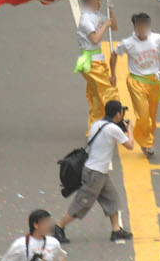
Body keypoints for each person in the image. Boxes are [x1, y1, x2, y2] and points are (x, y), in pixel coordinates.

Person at [55, 99, 133, 243]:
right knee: (82, 203)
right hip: (95, 174)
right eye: (121, 112)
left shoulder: (97, 124)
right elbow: (130, 145)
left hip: (96, 170)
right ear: (117, 114)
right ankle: (58, 228)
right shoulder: (113, 129)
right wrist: (129, 130)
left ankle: (116, 230)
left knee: (112, 198)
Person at [118, 12, 160, 156]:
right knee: (143, 114)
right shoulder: (128, 43)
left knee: (152, 116)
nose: (143, 29)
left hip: (153, 81)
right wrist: (112, 73)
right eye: (140, 26)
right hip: (136, 82)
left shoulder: (157, 38)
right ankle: (145, 141)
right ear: (135, 27)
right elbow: (114, 54)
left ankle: (148, 141)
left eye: (145, 26)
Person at [75, 0, 120, 124]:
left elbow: (114, 26)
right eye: (98, 0)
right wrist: (105, 25)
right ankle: (117, 121)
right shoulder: (85, 20)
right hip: (90, 62)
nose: (100, 2)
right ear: (89, 1)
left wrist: (110, 10)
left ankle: (94, 127)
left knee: (96, 97)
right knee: (109, 92)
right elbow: (95, 39)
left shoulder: (98, 15)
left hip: (97, 60)